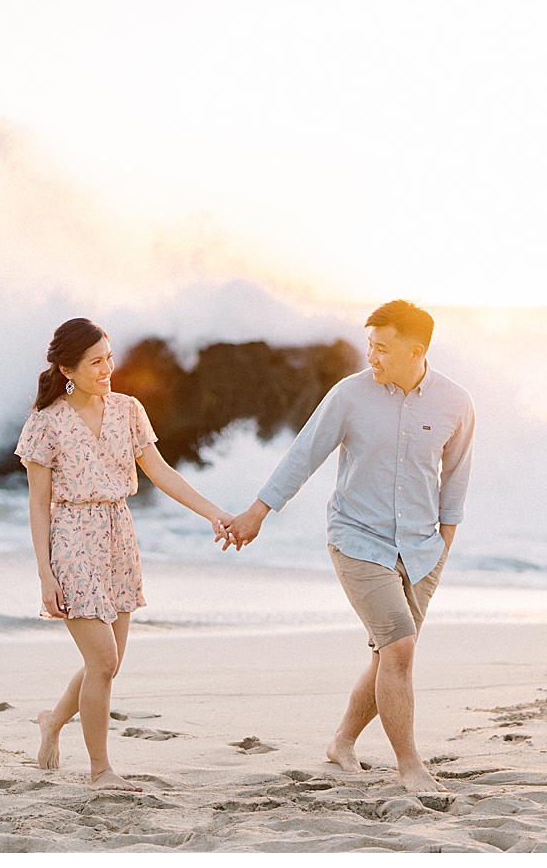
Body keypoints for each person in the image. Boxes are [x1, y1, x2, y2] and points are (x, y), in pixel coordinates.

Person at [220, 300, 475, 793]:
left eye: (381, 349)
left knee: (387, 657)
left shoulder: (455, 401)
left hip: (422, 551)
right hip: (359, 539)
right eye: (369, 347)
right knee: (400, 648)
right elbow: (304, 456)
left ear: (415, 350)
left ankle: (341, 744)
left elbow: (456, 482)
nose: (371, 357)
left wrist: (441, 548)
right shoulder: (350, 396)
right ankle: (410, 767)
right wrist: (257, 513)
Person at [17, 317, 235, 791]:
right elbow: (37, 503)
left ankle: (52, 721)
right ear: (67, 368)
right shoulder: (45, 424)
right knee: (102, 662)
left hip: (119, 536)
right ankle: (101, 771)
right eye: (96, 361)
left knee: (109, 663)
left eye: (109, 357)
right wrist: (44, 575)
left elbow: (161, 472)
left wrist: (214, 513)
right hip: (72, 537)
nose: (108, 368)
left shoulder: (129, 410)